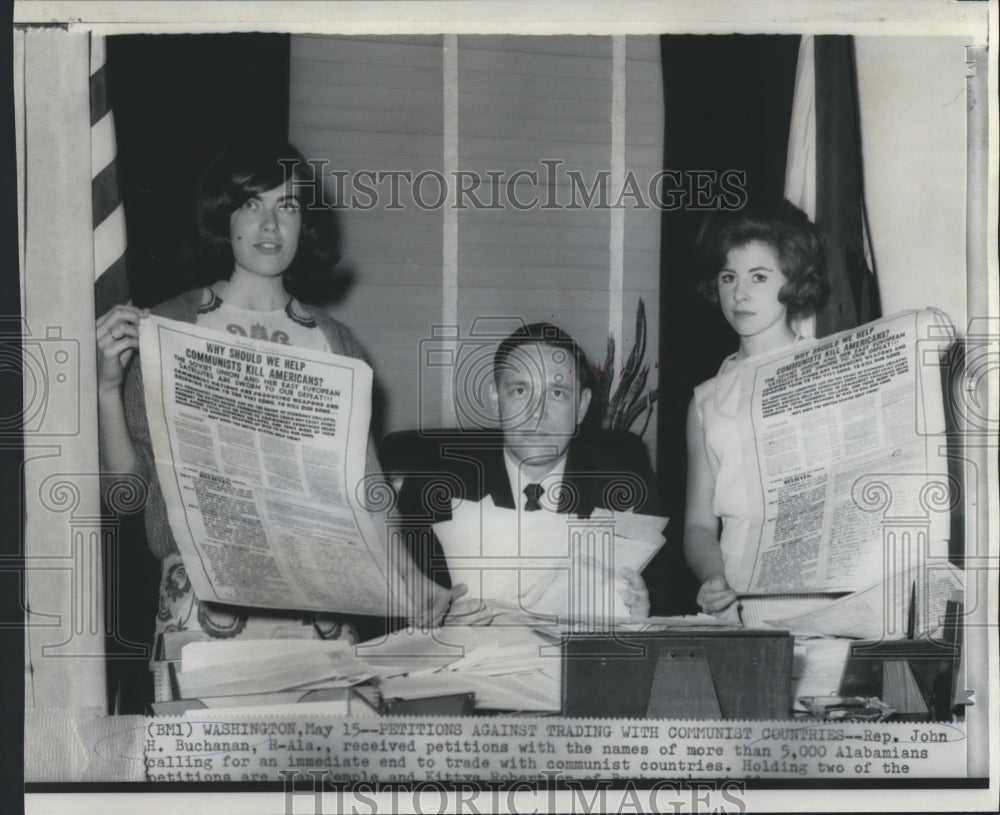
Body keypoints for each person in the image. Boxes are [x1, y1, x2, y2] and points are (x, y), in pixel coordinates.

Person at [97, 142, 447, 647]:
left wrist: (414, 584)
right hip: (204, 608)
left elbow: (367, 493)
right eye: (251, 204)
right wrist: (108, 387)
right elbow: (125, 498)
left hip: (320, 608)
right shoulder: (169, 326)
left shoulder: (334, 340)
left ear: (304, 225)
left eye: (287, 206)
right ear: (224, 218)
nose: (269, 224)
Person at [393, 322, 665, 622]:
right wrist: (438, 623)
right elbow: (401, 607)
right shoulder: (436, 482)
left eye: (557, 393)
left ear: (582, 407)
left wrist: (642, 616)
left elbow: (665, 596)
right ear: (496, 399)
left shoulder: (623, 481)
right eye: (521, 390)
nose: (537, 412)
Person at [683, 200, 828, 614]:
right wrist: (713, 578)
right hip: (737, 595)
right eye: (729, 277)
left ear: (793, 282)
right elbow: (697, 525)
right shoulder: (706, 398)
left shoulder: (829, 365)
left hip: (818, 595)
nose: (740, 293)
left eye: (759, 277)